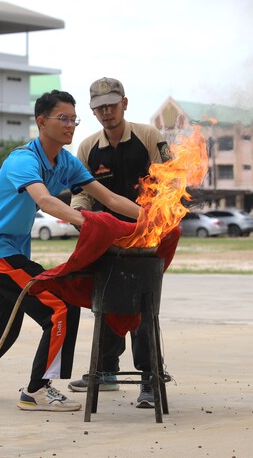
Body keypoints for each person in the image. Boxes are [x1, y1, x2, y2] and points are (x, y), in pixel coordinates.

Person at [0, 89, 141, 412]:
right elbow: (44, 201)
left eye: (74, 119)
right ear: (41, 122)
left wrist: (153, 220)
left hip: (11, 253)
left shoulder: (65, 162)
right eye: (63, 119)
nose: (70, 125)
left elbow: (112, 199)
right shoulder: (23, 159)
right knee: (60, 308)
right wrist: (91, 222)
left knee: (2, 328)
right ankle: (37, 390)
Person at [68, 77, 171, 408]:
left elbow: (171, 183)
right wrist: (80, 220)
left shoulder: (149, 137)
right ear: (93, 111)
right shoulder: (87, 148)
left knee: (144, 308)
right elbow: (81, 193)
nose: (106, 112)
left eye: (112, 105)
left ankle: (150, 380)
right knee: (105, 303)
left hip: (147, 241)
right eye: (99, 107)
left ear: (124, 103)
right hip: (108, 240)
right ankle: (106, 371)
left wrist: (158, 223)